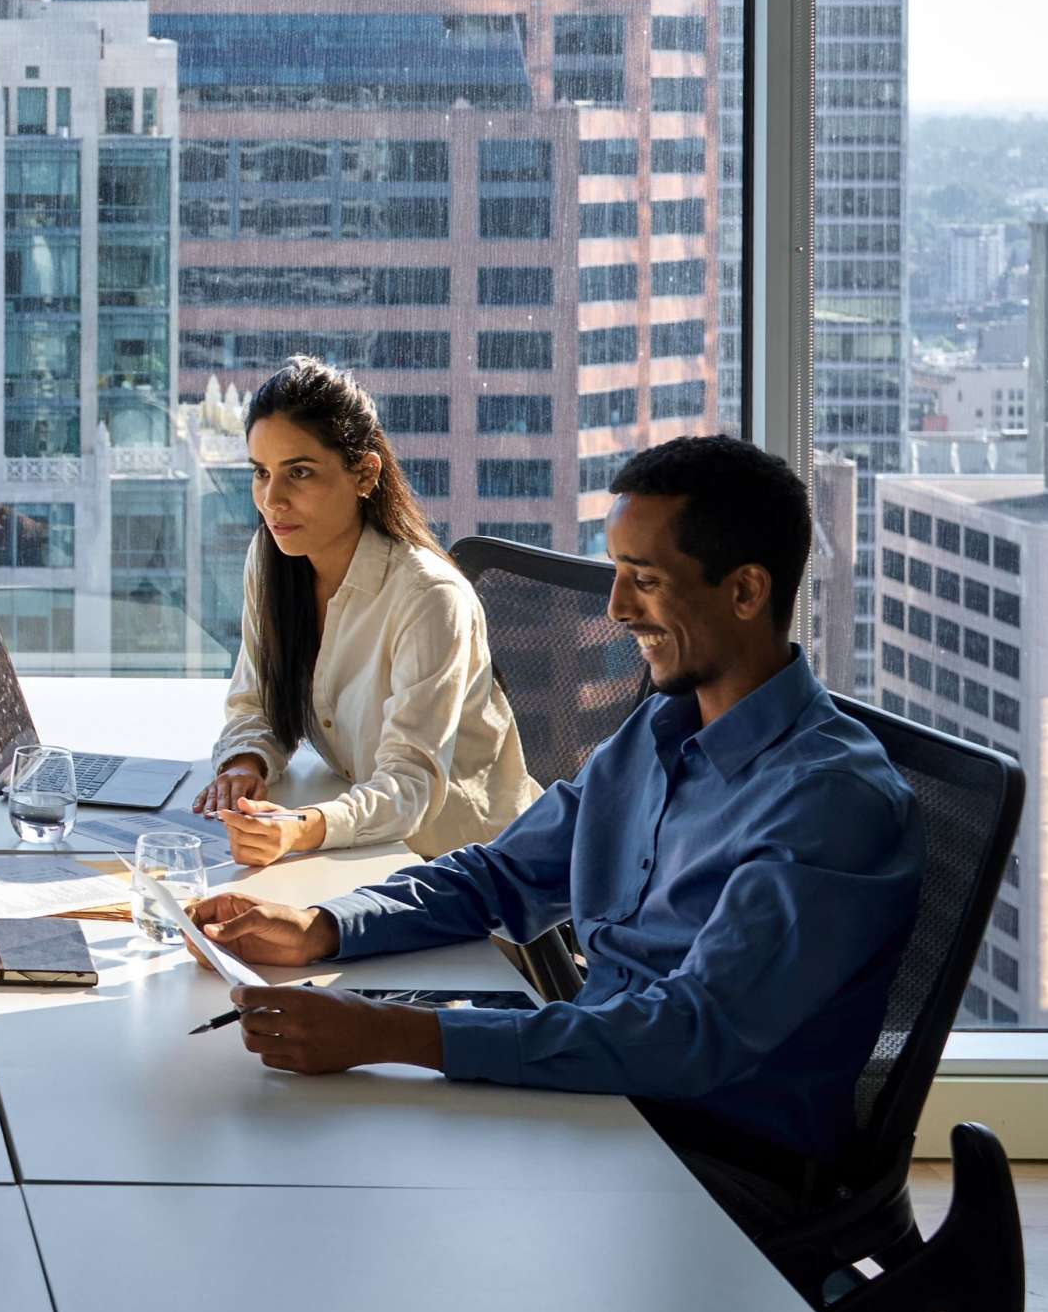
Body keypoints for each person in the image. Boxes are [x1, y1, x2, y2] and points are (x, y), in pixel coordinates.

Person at [185, 435, 924, 1228]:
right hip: (601, 1099)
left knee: (376, 1211)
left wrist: (396, 1033)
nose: (616, 608)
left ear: (745, 591)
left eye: (644, 580)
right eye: (617, 573)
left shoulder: (828, 803)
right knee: (304, 1169)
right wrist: (323, 927)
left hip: (713, 1163)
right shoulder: (659, 731)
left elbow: (686, 1037)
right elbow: (499, 876)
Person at [195, 356, 536, 866]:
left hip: (464, 871)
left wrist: (301, 828)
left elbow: (409, 786)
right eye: (261, 473)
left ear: (364, 473)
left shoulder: (428, 597)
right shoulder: (274, 558)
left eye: (300, 473)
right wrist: (245, 765)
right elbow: (257, 702)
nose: (272, 499)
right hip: (368, 851)